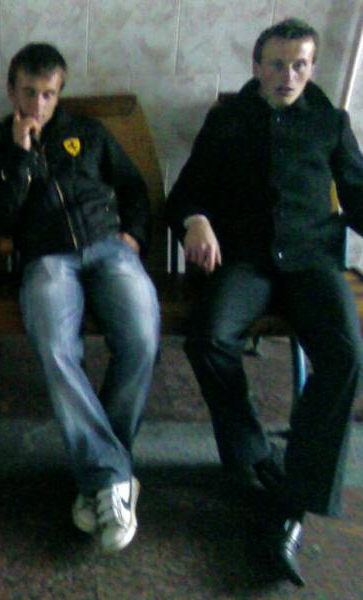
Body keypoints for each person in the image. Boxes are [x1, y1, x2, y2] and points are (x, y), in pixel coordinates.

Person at [166, 18, 363, 586]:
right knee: (208, 338)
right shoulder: (228, 120)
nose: (288, 75)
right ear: (256, 66)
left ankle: (292, 498)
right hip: (247, 261)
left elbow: (357, 192)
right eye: (277, 64)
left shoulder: (329, 121)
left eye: (300, 64)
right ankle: (254, 453)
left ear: (312, 67)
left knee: (346, 355)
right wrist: (196, 220)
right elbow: (186, 192)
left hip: (311, 261)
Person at [0, 43, 159, 552]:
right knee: (57, 348)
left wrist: (135, 236)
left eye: (49, 94)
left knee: (142, 338)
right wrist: (19, 157)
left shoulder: (89, 133)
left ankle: (102, 475)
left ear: (60, 94)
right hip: (46, 259)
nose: (38, 104)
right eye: (29, 92)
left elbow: (133, 187)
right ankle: (113, 478)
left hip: (109, 250)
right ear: (11, 90)